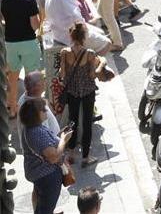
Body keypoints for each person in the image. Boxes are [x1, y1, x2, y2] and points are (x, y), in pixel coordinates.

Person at [59, 21, 106, 166]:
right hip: (88, 92)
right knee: (87, 123)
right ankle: (86, 157)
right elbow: (92, 75)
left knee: (72, 122)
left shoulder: (65, 52)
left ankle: (71, 153)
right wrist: (102, 62)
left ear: (71, 36)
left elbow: (62, 74)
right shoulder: (90, 53)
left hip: (72, 92)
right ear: (84, 36)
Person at [19, 97, 71, 214]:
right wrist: (63, 140)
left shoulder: (31, 128)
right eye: (43, 110)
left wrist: (59, 136)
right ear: (35, 114)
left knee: (43, 205)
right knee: (45, 209)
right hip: (47, 176)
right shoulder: (36, 132)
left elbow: (46, 145)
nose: (46, 111)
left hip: (41, 175)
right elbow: (54, 157)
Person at [2, 0, 42, 116]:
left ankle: (13, 109)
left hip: (10, 43)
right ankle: (31, 109)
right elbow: (35, 25)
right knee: (32, 77)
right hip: (28, 43)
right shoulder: (30, 0)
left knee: (12, 77)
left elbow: (2, 20)